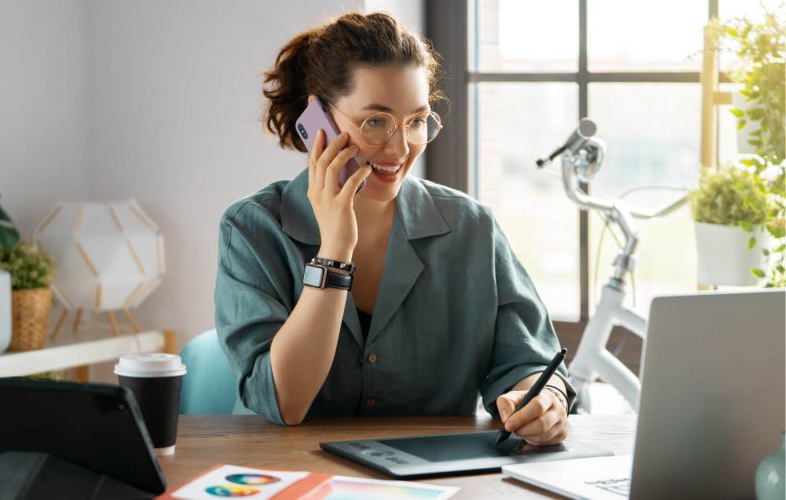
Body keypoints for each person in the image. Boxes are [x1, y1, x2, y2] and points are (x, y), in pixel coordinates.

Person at [215, 11, 574, 447]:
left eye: (417, 121)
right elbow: (285, 403)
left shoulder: (472, 228)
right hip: (284, 475)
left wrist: (544, 401)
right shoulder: (253, 229)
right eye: (376, 121)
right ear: (318, 121)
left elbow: (527, 361)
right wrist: (336, 248)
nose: (401, 148)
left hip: (432, 479)